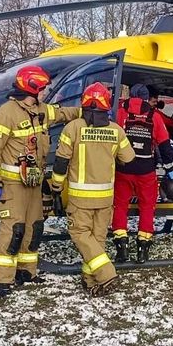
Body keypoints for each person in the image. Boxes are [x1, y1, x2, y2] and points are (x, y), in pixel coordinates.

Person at [0, 64, 80, 298]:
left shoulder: (40, 109)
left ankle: (26, 272)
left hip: (33, 182)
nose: (45, 92)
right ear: (33, 87)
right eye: (43, 88)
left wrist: (85, 111)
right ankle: (2, 280)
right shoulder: (7, 112)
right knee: (13, 229)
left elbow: (61, 113)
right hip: (12, 183)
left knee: (34, 228)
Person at [49, 82, 135, 296]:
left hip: (81, 198)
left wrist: (56, 187)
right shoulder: (116, 130)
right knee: (96, 240)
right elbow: (129, 158)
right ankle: (91, 281)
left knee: (80, 233)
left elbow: (61, 162)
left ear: (84, 103)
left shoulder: (73, 128)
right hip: (105, 198)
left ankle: (106, 273)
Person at [113, 84, 173, 264]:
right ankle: (142, 250)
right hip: (146, 171)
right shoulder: (154, 117)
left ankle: (121, 248)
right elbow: (165, 147)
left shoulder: (119, 113)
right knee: (147, 207)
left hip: (123, 169)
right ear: (147, 98)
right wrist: (169, 169)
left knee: (120, 206)